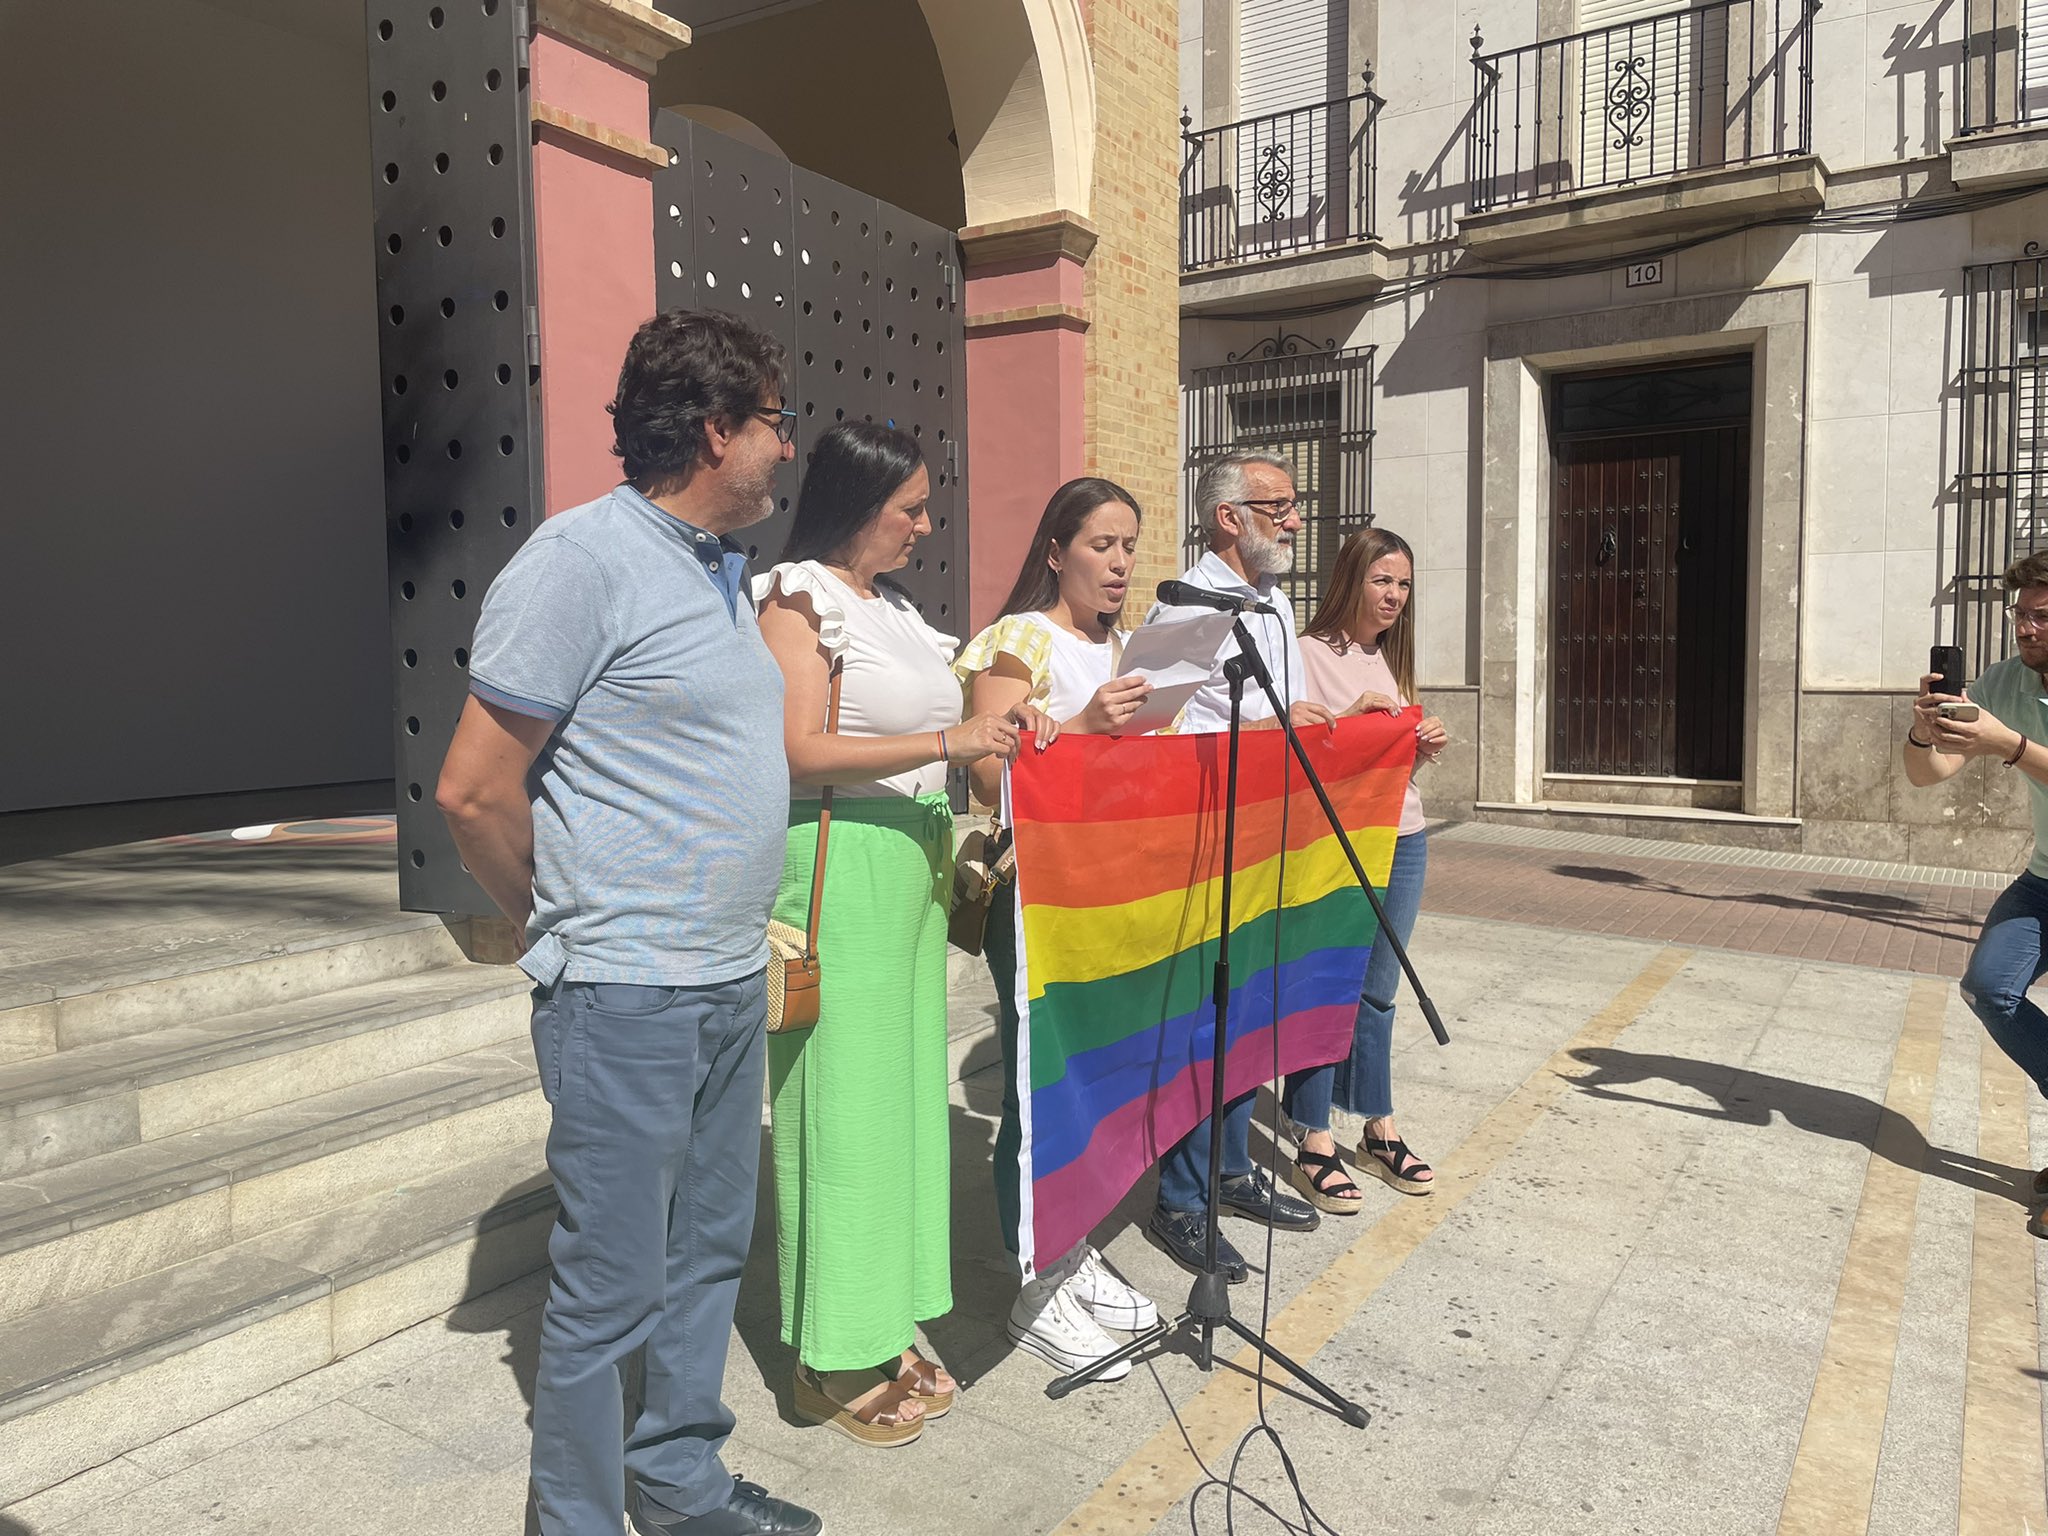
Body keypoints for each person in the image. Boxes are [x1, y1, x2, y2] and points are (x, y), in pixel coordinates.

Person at [437, 310, 821, 1536]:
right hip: (623, 997)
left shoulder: (715, 573)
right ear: (715, 430)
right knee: (609, 1295)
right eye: (773, 420)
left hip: (720, 982)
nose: (786, 445)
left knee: (708, 1258)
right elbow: (474, 790)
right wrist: (553, 932)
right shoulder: (578, 561)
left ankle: (678, 1485)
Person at [755, 422, 1050, 1446]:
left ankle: (879, 1322)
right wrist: (949, 737)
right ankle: (828, 1357)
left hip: (913, 874)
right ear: (854, 502)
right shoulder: (798, 598)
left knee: (896, 1116)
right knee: (840, 1113)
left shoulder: (899, 611)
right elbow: (792, 750)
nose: (926, 524)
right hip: (844, 873)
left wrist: (998, 748)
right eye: (910, 507)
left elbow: (949, 751)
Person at [954, 477, 1164, 1377]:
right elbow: (986, 779)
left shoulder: (1126, 648)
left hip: (1115, 893)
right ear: (1055, 552)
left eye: (1128, 547)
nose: (1119, 564)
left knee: (1099, 1084)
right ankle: (1033, 1285)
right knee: (1044, 1084)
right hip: (1038, 896)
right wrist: (1080, 723)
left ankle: (1073, 1253)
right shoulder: (1017, 642)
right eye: (1101, 545)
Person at [1140, 450, 1332, 1283]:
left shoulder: (1278, 604)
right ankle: (1181, 1201)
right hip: (1206, 848)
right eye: (1279, 505)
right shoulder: (1185, 606)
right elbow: (1153, 735)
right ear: (1229, 517)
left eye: (1294, 506)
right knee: (1204, 1025)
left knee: (1250, 1017)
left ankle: (1230, 1172)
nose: (1295, 519)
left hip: (1268, 844)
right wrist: (1257, 738)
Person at [1277, 527, 1448, 1214]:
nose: (1394, 597)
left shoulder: (1391, 659)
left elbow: (1388, 761)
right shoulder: (1308, 655)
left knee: (1379, 989)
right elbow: (1295, 755)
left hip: (1403, 835)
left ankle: (1379, 1127)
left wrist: (1419, 747)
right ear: (1352, 579)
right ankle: (1313, 1137)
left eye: (1403, 584)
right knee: (1326, 986)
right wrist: (1350, 721)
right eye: (1383, 581)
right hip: (1333, 842)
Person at [1907, 549, 2048, 1237]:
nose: (2027, 629)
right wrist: (1921, 728)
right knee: (1988, 987)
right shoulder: (2003, 681)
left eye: (2043, 617)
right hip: (2045, 881)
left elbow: (2007, 747)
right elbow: (1927, 774)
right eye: (2021, 615)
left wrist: (2008, 744)